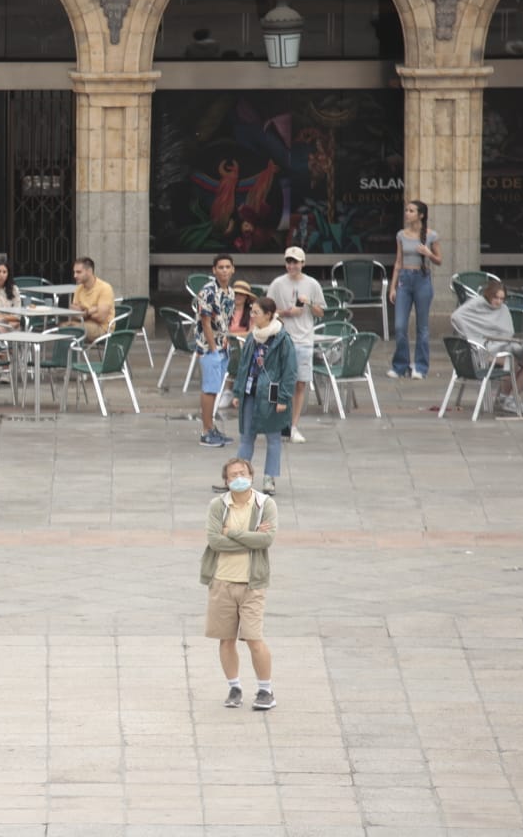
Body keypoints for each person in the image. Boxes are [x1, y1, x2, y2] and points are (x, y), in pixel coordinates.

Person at [200, 456, 278, 711]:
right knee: (226, 639)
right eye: (232, 475)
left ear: (252, 475)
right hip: (221, 580)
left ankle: (265, 690)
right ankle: (234, 687)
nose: (238, 478)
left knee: (254, 639)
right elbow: (215, 542)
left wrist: (231, 533)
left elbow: (265, 541)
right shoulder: (217, 505)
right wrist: (250, 537)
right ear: (226, 480)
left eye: (242, 473)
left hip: (252, 583)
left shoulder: (265, 504)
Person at [229, 296, 294, 495]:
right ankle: (239, 476)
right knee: (246, 436)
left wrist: (283, 398)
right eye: (252, 311)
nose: (252, 315)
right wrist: (238, 391)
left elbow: (289, 371)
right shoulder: (252, 337)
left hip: (271, 395)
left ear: (268, 315)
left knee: (273, 438)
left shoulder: (282, 339)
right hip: (250, 393)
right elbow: (243, 367)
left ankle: (269, 478)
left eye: (256, 312)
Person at [265, 246, 324, 444]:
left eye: (295, 262)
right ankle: (275, 422)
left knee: (300, 382)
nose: (292, 265)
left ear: (303, 264)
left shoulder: (312, 284)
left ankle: (293, 425)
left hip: (305, 339)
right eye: (289, 262)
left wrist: (308, 304)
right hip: (282, 338)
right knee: (277, 381)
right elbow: (267, 311)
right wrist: (287, 312)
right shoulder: (277, 284)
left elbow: (321, 312)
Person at [450, 279, 523, 414]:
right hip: (482, 352)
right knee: (512, 362)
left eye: (502, 299)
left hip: (501, 347)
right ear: (489, 295)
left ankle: (508, 398)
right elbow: (457, 316)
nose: (498, 301)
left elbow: (508, 333)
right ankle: (507, 399)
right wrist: (473, 336)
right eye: (496, 298)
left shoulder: (503, 309)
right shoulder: (478, 304)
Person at [388, 200, 442, 380]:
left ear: (421, 215)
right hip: (404, 279)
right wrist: (392, 287)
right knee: (400, 326)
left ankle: (420, 366)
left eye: (411, 211)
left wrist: (428, 254)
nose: (407, 213)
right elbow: (398, 261)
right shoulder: (401, 235)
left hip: (422, 280)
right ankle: (400, 365)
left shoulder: (431, 235)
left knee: (422, 327)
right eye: (406, 210)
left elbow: (439, 260)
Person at [195, 253, 237, 448]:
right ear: (214, 270)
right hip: (210, 347)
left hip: (223, 345)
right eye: (220, 267)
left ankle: (212, 427)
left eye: (228, 267)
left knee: (215, 390)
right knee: (209, 389)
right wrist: (213, 349)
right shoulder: (208, 291)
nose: (224, 270)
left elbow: (227, 320)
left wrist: (225, 344)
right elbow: (206, 322)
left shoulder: (230, 291)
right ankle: (205, 431)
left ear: (233, 269)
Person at [71, 257, 116, 342]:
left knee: (70, 330)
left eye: (79, 272)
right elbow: (75, 315)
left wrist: (84, 312)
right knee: (61, 327)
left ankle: (69, 355)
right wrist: (91, 310)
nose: (75, 276)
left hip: (103, 329)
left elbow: (101, 318)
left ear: (89, 272)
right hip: (84, 324)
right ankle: (69, 355)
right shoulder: (79, 289)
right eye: (74, 272)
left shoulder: (105, 288)